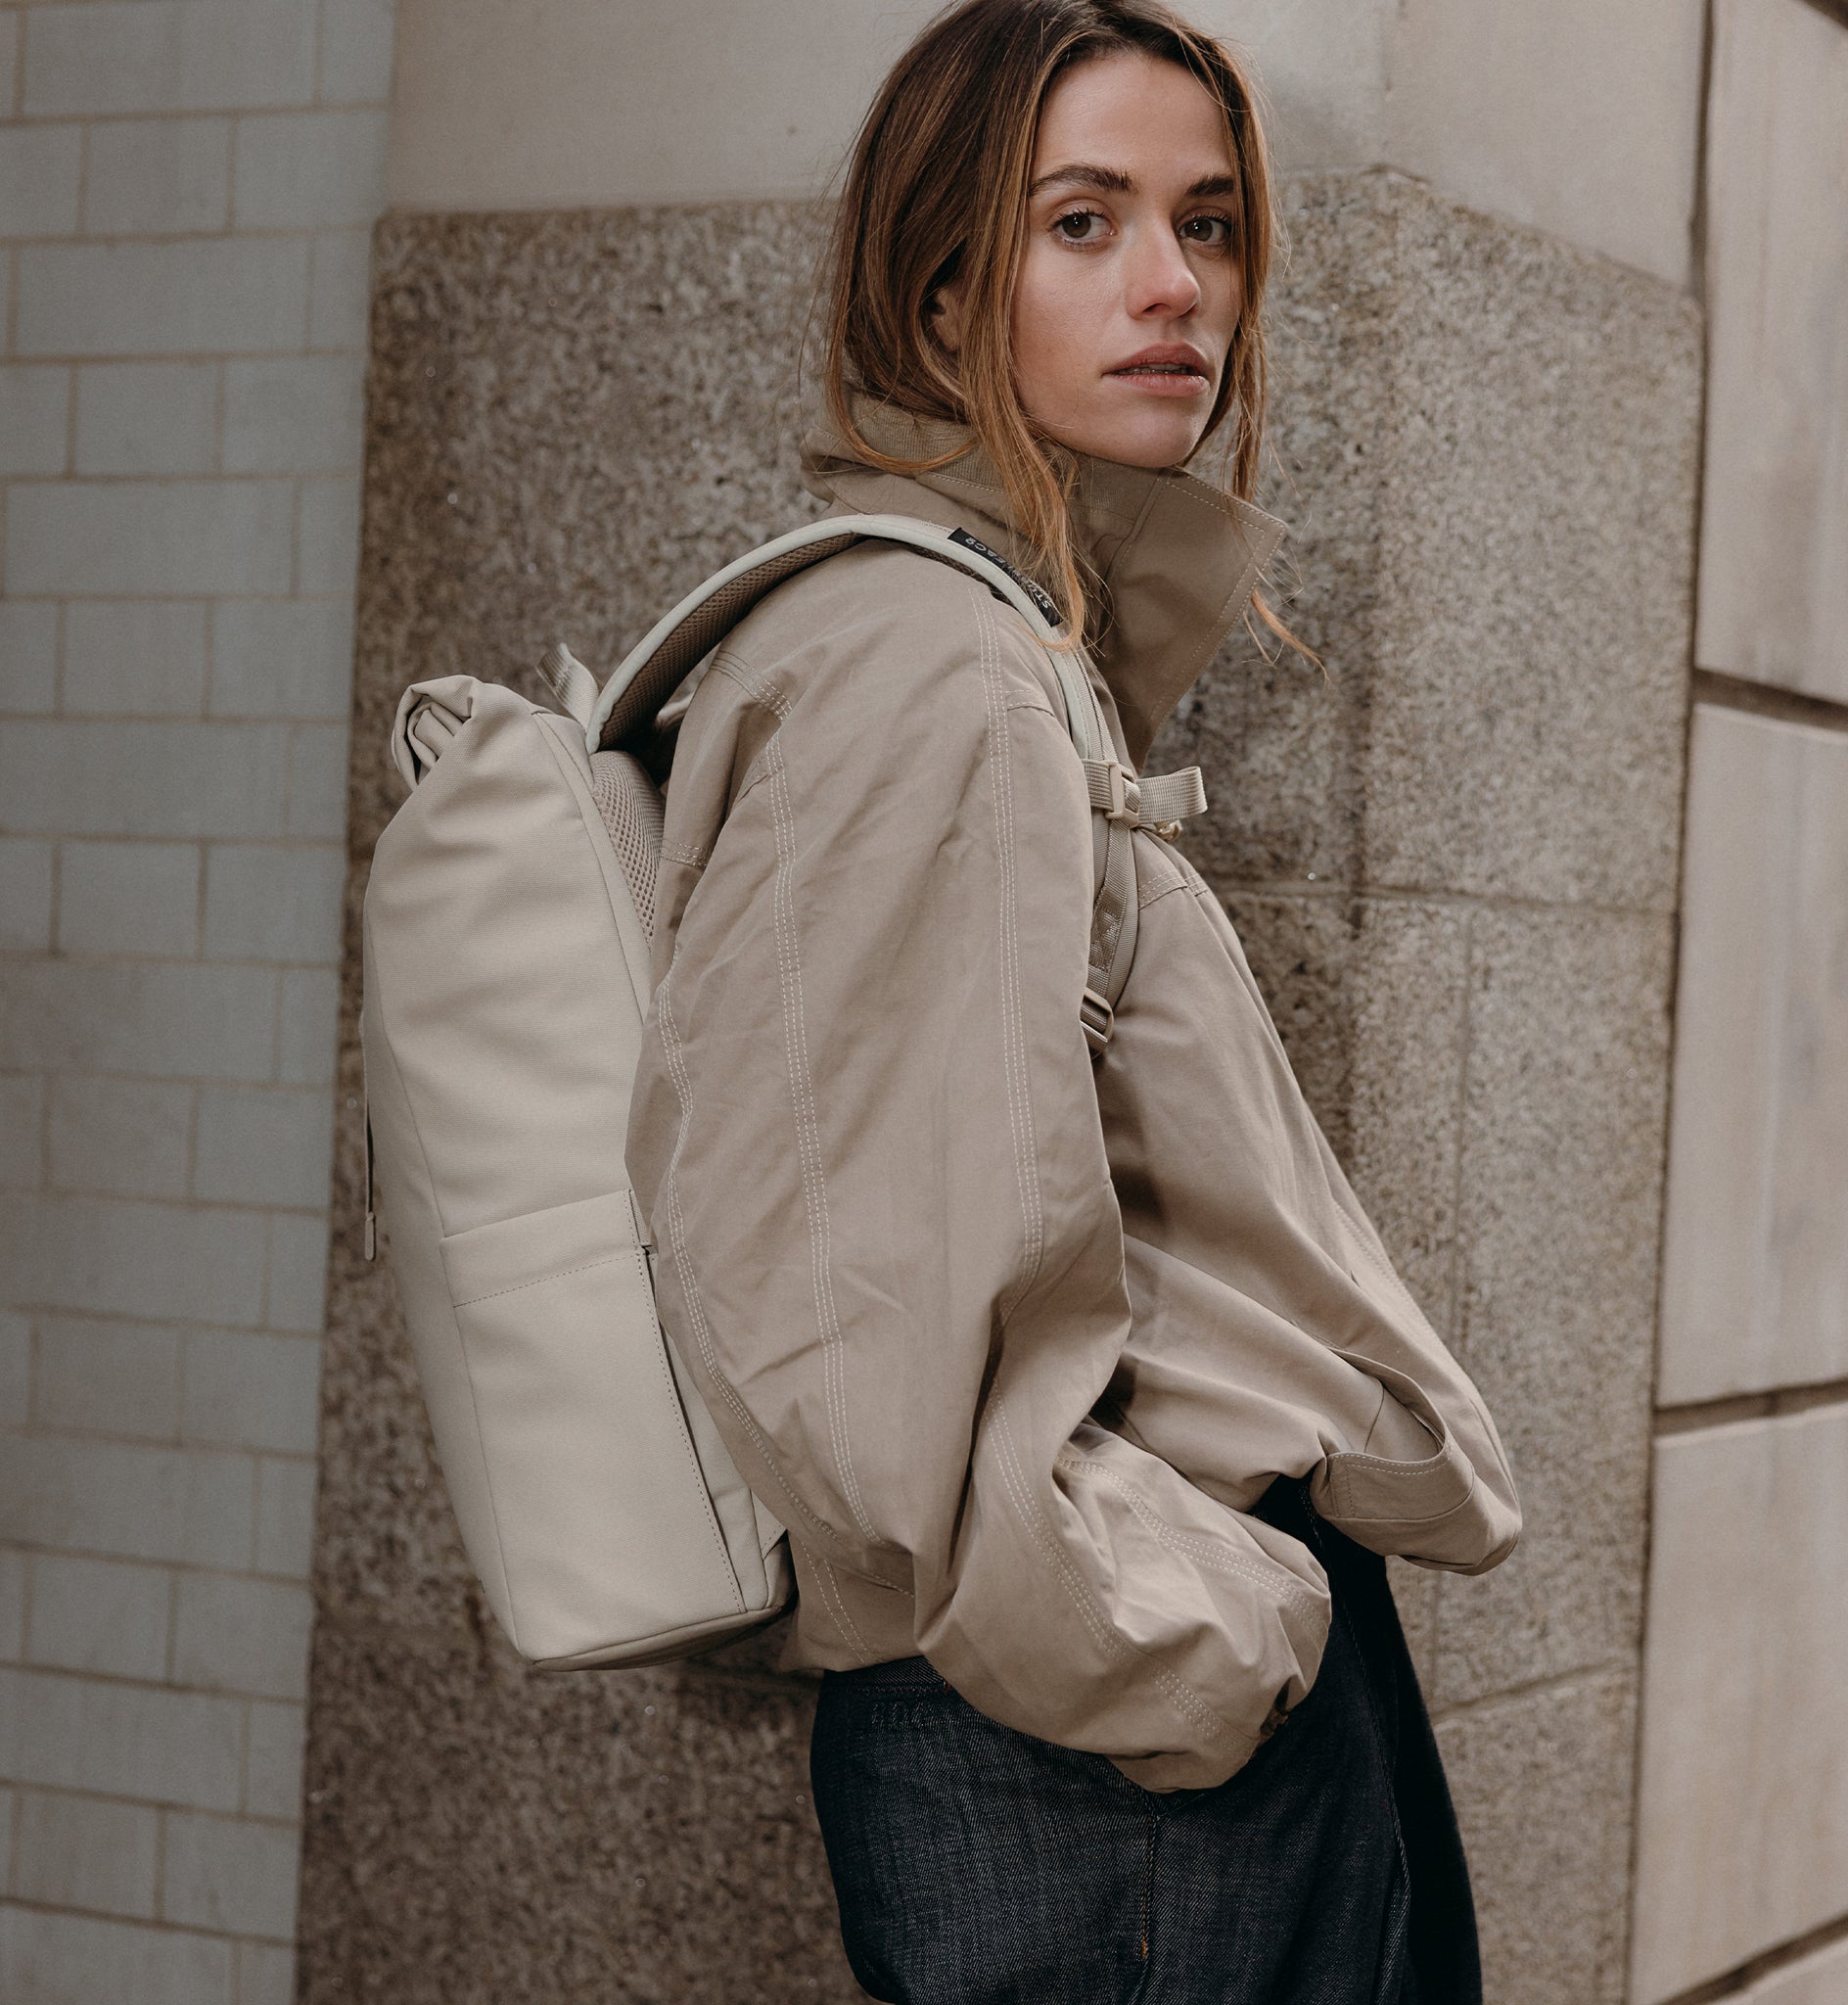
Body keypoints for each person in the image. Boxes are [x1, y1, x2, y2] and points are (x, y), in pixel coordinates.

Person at [624, 3, 1521, 1998]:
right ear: (944, 282)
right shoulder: (928, 667)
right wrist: (1185, 1651)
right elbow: (857, 1298)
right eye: (1082, 221)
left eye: (1206, 225)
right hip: (1110, 1748)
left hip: (1131, 1708)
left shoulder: (999, 649)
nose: (1172, 286)